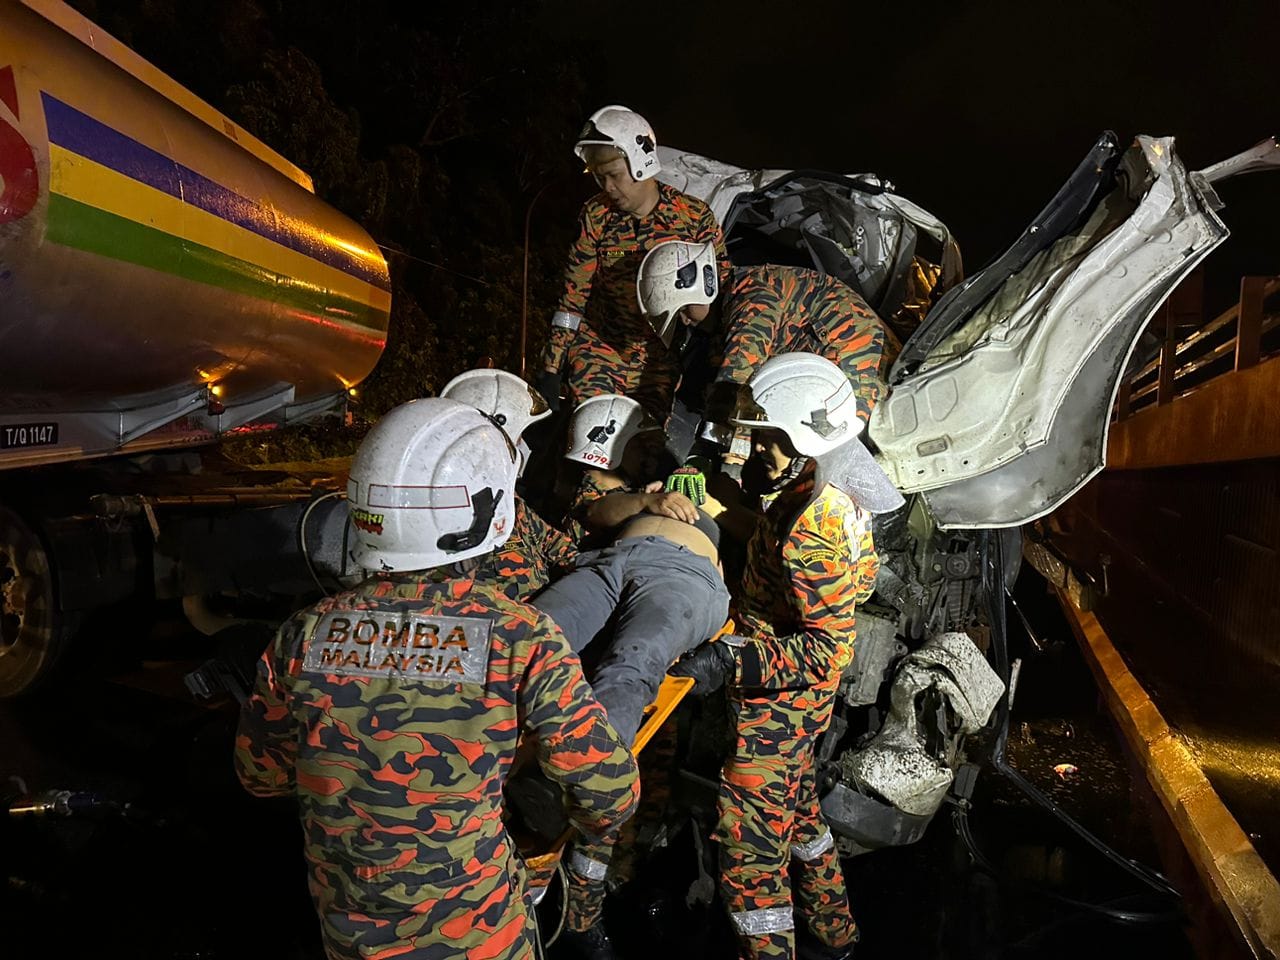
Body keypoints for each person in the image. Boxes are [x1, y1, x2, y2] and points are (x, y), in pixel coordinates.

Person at [233, 398, 639, 960]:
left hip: (349, 935)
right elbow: (609, 793)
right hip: (479, 935)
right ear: (486, 512)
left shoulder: (303, 635)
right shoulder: (517, 636)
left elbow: (261, 776)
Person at [672, 354, 904, 960]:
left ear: (805, 440)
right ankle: (836, 934)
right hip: (802, 711)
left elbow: (827, 651)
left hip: (779, 708)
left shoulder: (814, 525)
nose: (757, 452)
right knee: (800, 817)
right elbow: (850, 580)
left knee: (751, 854)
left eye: (770, 440)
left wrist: (731, 661)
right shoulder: (828, 486)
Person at [536, 105, 727, 423]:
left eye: (614, 175)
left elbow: (720, 295)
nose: (607, 187)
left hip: (656, 364)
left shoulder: (694, 219)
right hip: (598, 350)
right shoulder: (596, 216)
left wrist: (718, 369)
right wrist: (552, 365)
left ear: (641, 163)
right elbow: (573, 296)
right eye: (599, 177)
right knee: (592, 438)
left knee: (642, 446)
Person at [636, 240, 890, 477]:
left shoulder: (752, 296)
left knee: (826, 442)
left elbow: (738, 375)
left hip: (848, 345)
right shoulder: (729, 306)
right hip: (809, 350)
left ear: (703, 289)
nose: (685, 320)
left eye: (683, 310)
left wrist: (718, 454)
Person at [440, 368, 578, 599]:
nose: (523, 444)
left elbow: (554, 543)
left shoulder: (508, 499)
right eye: (520, 435)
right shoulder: (452, 511)